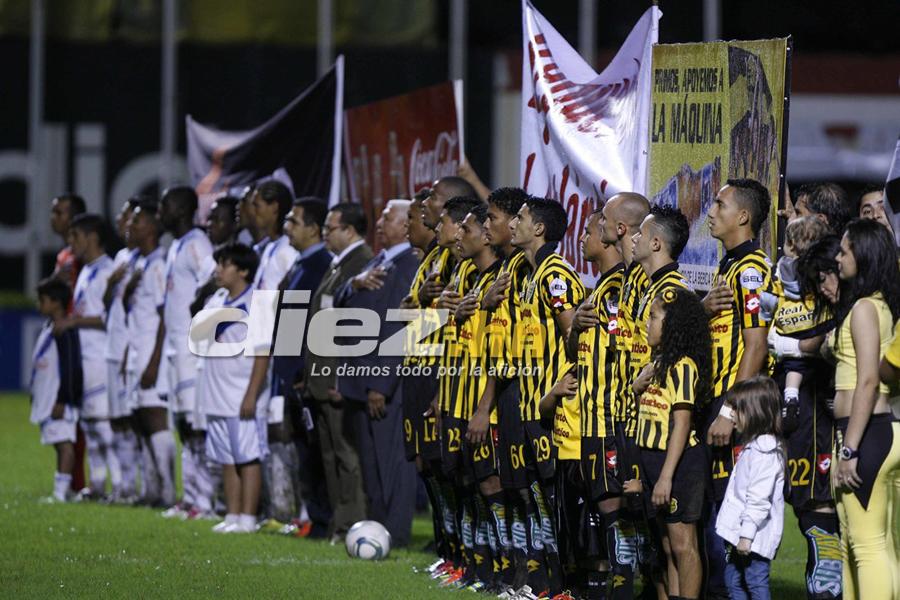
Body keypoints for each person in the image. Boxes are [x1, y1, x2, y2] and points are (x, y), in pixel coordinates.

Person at [510, 195, 586, 596]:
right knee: (537, 500)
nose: (512, 224)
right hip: (529, 402)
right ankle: (543, 584)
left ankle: (564, 585)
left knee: (555, 501)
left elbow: (576, 338)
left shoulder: (555, 274)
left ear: (538, 228)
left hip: (552, 408)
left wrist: (558, 390)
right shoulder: (529, 273)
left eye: (520, 217)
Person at [702, 178, 774, 599]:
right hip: (720, 399)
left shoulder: (751, 269)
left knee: (732, 517)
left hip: (737, 408)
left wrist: (730, 411)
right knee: (716, 511)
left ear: (742, 217)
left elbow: (756, 343)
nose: (711, 211)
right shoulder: (729, 265)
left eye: (719, 204)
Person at [336, 199, 419, 547]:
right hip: (359, 380)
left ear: (404, 225)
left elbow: (398, 328)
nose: (380, 223)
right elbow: (340, 302)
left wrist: (380, 384)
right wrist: (353, 284)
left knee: (392, 464)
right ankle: (375, 529)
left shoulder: (407, 265)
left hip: (382, 383)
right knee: (370, 466)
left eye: (389, 217)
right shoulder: (377, 261)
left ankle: (395, 533)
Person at [464, 187, 531, 591]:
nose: (487, 226)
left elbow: (505, 352)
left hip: (520, 395)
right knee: (494, 482)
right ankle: (507, 570)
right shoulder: (500, 273)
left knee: (518, 487)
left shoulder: (523, 273)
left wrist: (484, 406)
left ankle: (526, 574)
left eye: (491, 218)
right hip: (492, 393)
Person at [830, 219, 900, 599]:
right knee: (870, 545)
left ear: (864, 255)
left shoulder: (864, 308)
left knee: (867, 547)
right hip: (872, 431)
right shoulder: (877, 305)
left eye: (844, 250)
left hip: (866, 434)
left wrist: (849, 449)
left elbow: (868, 380)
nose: (838, 258)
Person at [303, 202, 372, 544]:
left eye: (331, 228)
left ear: (349, 230)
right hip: (321, 374)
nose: (325, 234)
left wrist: (339, 377)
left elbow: (352, 330)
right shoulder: (339, 264)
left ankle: (353, 523)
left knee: (347, 455)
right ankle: (339, 522)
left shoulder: (362, 263)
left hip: (335, 376)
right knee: (330, 454)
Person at [635, 287, 710, 600]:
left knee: (683, 544)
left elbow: (681, 424)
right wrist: (638, 385)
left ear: (673, 325)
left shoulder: (682, 365)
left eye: (653, 317)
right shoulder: (659, 361)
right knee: (667, 545)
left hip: (678, 465)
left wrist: (666, 476)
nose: (647, 324)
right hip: (655, 461)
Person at [567, 207, 624, 600]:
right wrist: (577, 327)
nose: (587, 234)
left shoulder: (619, 287)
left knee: (614, 510)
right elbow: (576, 346)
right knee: (601, 507)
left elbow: (628, 347)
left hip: (609, 417)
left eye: (592, 229)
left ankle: (620, 588)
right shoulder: (598, 288)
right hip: (589, 417)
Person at [150, 186, 214, 517]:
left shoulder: (197, 244)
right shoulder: (176, 245)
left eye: (165, 205)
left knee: (196, 424)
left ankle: (205, 500)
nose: (160, 212)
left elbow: (215, 277)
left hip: (192, 347)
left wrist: (198, 306)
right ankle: (191, 497)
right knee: (183, 424)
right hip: (176, 350)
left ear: (182, 210)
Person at [268, 197, 332, 533]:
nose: (286, 227)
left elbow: (316, 323)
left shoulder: (321, 264)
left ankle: (322, 519)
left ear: (313, 229)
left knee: (315, 451)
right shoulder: (300, 264)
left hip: (304, 375)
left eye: (293, 221)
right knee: (303, 451)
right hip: (291, 373)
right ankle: (312, 517)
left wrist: (302, 370)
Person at [194, 244, 263, 534]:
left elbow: (263, 353)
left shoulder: (258, 303)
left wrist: (251, 394)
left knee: (247, 456)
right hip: (215, 391)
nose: (218, 270)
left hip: (239, 392)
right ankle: (232, 515)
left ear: (244, 270)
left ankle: (248, 518)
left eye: (225, 264)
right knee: (226, 456)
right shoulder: (216, 299)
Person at [59, 213, 119, 499]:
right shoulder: (85, 270)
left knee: (103, 425)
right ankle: (96, 485)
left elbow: (110, 319)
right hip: (85, 357)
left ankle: (120, 485)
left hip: (100, 356)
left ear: (92, 237)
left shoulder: (109, 270)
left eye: (76, 237)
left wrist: (73, 322)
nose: (71, 243)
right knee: (89, 424)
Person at [122, 200, 174, 507]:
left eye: (138, 221)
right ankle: (151, 489)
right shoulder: (140, 262)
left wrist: (154, 360)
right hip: (137, 351)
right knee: (141, 420)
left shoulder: (158, 264)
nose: (131, 225)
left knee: (155, 417)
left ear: (154, 227)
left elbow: (164, 313)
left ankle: (167, 491)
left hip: (151, 353)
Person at [715, 376, 786, 600]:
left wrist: (746, 536)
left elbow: (758, 499)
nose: (732, 414)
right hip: (742, 534)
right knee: (733, 581)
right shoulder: (754, 446)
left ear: (754, 412)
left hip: (753, 536)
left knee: (754, 582)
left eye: (738, 409)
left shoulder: (764, 453)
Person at [759, 216, 831, 422]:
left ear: (790, 245)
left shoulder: (779, 271)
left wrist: (765, 317)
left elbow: (768, 299)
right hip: (817, 325)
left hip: (788, 328)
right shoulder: (820, 271)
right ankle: (832, 393)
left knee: (794, 365)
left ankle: (791, 397)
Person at [103, 196, 142, 502]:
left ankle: (143, 484)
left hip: (132, 348)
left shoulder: (145, 260)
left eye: (128, 216)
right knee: (115, 419)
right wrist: (111, 284)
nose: (123, 222)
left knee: (134, 419)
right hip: (113, 346)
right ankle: (124, 484)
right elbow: (110, 305)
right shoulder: (120, 258)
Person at [30, 277, 83, 503]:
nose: (39, 304)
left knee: (64, 445)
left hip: (58, 399)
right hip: (48, 398)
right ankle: (65, 488)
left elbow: (71, 367)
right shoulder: (50, 327)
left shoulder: (64, 331)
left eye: (42, 300)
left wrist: (62, 399)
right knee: (59, 444)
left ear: (56, 303)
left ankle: (60, 492)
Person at [49, 193, 87, 492]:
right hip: (70, 335)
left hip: (81, 339)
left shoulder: (81, 259)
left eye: (59, 212)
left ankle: (78, 481)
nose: (54, 218)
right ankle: (74, 480)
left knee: (79, 413)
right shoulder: (65, 256)